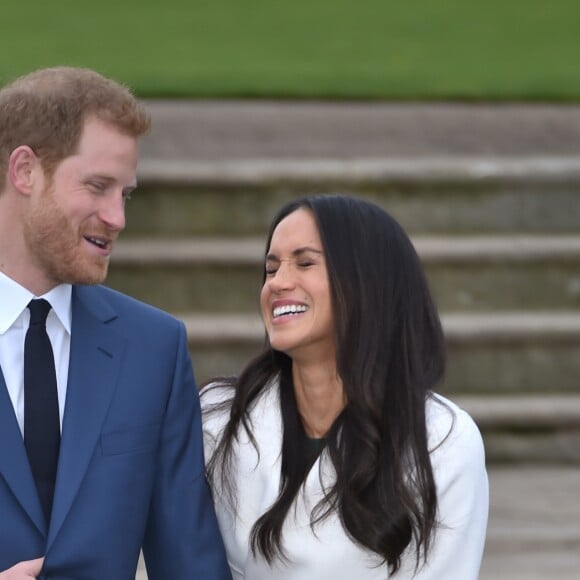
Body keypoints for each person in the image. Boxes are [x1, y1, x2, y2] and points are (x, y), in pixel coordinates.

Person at [0, 67, 231, 579]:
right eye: (98, 187)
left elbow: (189, 561)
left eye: (124, 195)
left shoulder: (154, 347)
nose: (117, 217)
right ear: (25, 172)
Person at [201, 194, 489, 579]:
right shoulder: (220, 419)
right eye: (271, 270)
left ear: (368, 284)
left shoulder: (442, 440)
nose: (278, 284)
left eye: (304, 263)